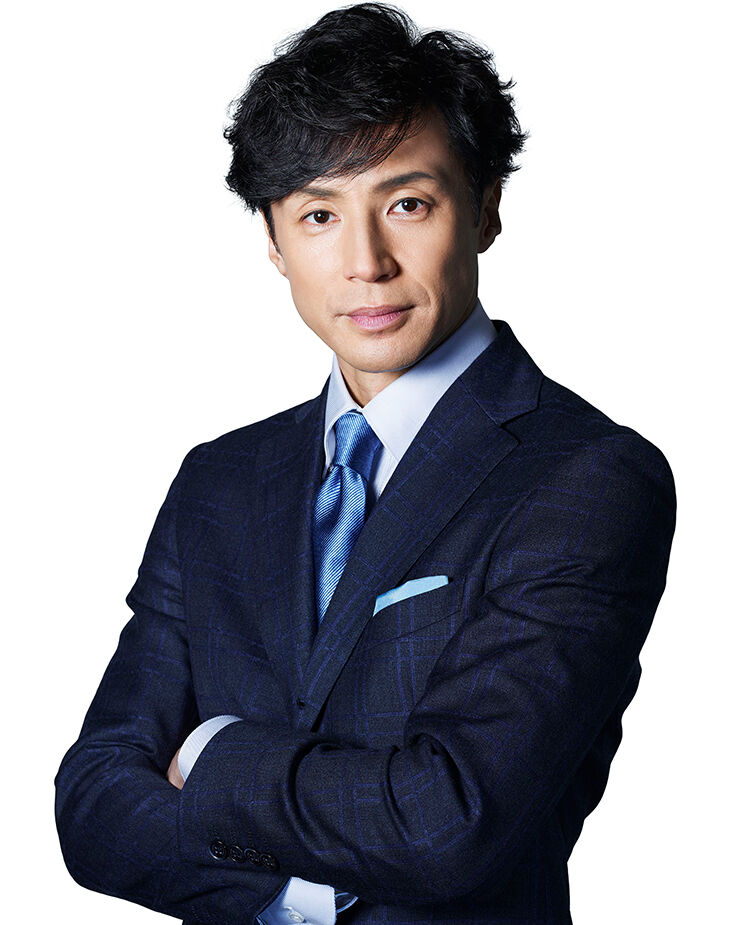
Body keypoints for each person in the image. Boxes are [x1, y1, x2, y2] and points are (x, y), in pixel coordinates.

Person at [54, 4, 677, 924]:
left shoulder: (588, 477)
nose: (365, 262)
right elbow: (94, 808)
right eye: (318, 214)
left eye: (407, 204)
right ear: (275, 242)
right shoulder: (219, 482)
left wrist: (215, 751)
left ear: (486, 207)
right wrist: (299, 886)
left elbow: (446, 821)